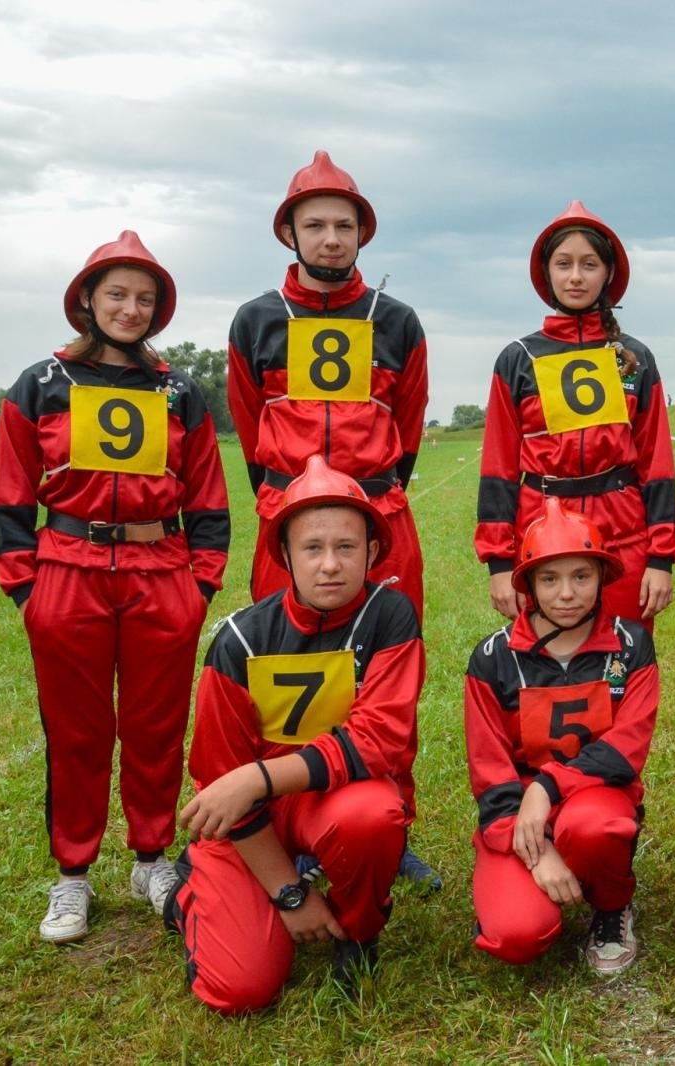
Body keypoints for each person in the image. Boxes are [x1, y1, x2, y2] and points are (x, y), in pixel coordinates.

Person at [0, 230, 229, 943]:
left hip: (161, 575)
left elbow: (208, 498)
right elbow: (11, 497)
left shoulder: (179, 390)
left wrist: (201, 586)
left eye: (144, 298)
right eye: (117, 294)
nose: (130, 308)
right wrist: (27, 591)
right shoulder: (40, 384)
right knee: (77, 733)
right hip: (68, 572)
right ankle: (72, 878)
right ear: (87, 300)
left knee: (156, 728)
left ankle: (151, 859)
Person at [227, 149, 437, 890]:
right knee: (284, 670)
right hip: (287, 516)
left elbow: (407, 426)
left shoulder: (395, 320)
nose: (330, 239)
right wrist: (290, 505)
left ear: (361, 235)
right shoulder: (255, 320)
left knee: (387, 671)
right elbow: (250, 421)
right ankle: (291, 827)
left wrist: (366, 500)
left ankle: (389, 823)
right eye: (314, 224)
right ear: (289, 232)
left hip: (378, 516)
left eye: (343, 225)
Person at [168, 456, 422, 1012]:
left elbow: (381, 740)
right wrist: (289, 894)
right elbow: (221, 784)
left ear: (373, 552)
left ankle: (357, 937)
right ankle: (188, 892)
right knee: (241, 990)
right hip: (250, 822)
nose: (330, 565)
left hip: (326, 801)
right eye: (312, 548)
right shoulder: (239, 641)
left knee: (373, 812)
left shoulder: (391, 617)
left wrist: (257, 777)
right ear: (283, 554)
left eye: (347, 547)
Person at [464, 499, 658, 974]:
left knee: (595, 827)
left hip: (594, 802)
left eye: (581, 576)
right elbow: (490, 773)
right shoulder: (492, 658)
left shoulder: (631, 647)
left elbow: (626, 749)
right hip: (519, 817)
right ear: (528, 583)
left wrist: (547, 787)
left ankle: (611, 906)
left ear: (602, 577)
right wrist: (535, 846)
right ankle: (522, 884)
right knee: (515, 934)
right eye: (549, 578)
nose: (566, 594)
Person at [475, 201, 675, 627]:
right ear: (547, 273)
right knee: (547, 670)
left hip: (623, 535)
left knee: (625, 659)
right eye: (563, 263)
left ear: (608, 273)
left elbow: (656, 462)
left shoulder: (634, 358)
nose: (575, 276)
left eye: (589, 264)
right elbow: (498, 465)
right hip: (541, 534)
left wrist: (661, 557)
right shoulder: (518, 359)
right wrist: (498, 564)